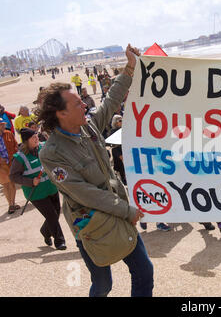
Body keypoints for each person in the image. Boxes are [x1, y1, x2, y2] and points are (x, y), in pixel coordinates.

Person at [37, 44, 154, 297]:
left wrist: (131, 67)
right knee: (103, 285)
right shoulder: (52, 153)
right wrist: (127, 210)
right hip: (91, 223)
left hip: (118, 212)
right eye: (78, 103)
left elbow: (110, 102)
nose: (85, 105)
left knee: (144, 272)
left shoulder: (87, 128)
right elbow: (86, 194)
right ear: (61, 113)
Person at [9, 128, 66, 250]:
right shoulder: (19, 157)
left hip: (51, 188)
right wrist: (30, 181)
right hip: (36, 193)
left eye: (37, 136)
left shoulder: (43, 147)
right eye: (33, 138)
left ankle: (45, 231)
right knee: (51, 216)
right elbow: (13, 176)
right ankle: (59, 241)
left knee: (55, 213)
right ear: (26, 141)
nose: (37, 139)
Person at [0, 118, 19, 214]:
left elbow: (16, 145)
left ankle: (13, 203)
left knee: (12, 183)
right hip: (1, 166)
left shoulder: (8, 133)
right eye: (1, 125)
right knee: (5, 184)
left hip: (11, 163)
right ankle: (10, 204)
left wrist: (15, 156)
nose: (3, 126)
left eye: (3, 124)